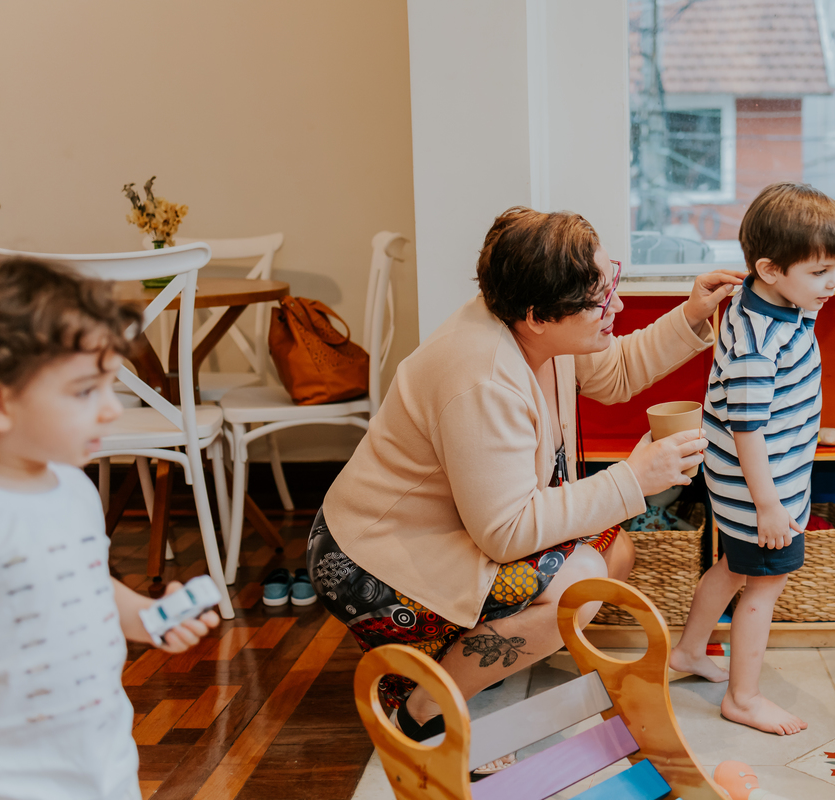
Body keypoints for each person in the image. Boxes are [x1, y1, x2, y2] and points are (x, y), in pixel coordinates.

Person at [307, 207, 743, 770]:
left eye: (610, 280)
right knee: (580, 586)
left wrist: (690, 316)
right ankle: (423, 707)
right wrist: (633, 478)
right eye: (600, 298)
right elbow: (506, 532)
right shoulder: (481, 376)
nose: (618, 304)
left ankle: (460, 663)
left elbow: (612, 375)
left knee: (617, 553)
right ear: (539, 315)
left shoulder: (533, 328)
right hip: (373, 557)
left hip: (459, 527)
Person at [0, 258, 220, 800]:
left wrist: (145, 617)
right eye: (83, 392)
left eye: (108, 388)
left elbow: (88, 585)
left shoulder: (72, 490)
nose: (109, 411)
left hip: (104, 763)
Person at [667, 182, 835, 736]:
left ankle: (688, 651)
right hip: (759, 489)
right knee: (764, 584)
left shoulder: (772, 296)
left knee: (733, 567)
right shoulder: (756, 341)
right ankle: (742, 698)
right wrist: (769, 508)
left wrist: (807, 429)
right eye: (822, 272)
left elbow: (771, 404)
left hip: (756, 479)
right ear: (772, 269)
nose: (833, 283)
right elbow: (747, 428)